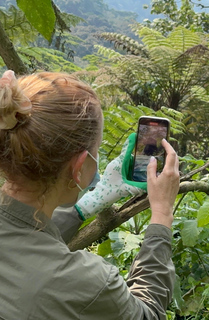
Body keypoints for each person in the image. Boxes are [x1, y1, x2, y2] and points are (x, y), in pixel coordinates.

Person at [0, 70, 180, 319]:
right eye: (97, 150)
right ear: (80, 168)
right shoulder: (86, 282)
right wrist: (161, 215)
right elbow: (148, 313)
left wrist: (87, 205)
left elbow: (23, 240)